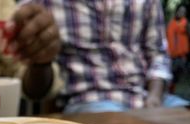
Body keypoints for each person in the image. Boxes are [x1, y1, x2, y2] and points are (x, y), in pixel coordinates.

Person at [39, 0, 189, 113]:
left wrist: (154, 97)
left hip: (147, 96)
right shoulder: (48, 4)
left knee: (182, 122)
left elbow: (157, 54)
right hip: (90, 100)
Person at [167, 4, 190, 92]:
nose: (181, 13)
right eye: (180, 11)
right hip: (169, 55)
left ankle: (171, 92)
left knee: (175, 77)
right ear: (176, 11)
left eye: (183, 12)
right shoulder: (171, 22)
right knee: (167, 76)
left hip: (180, 56)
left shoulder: (186, 23)